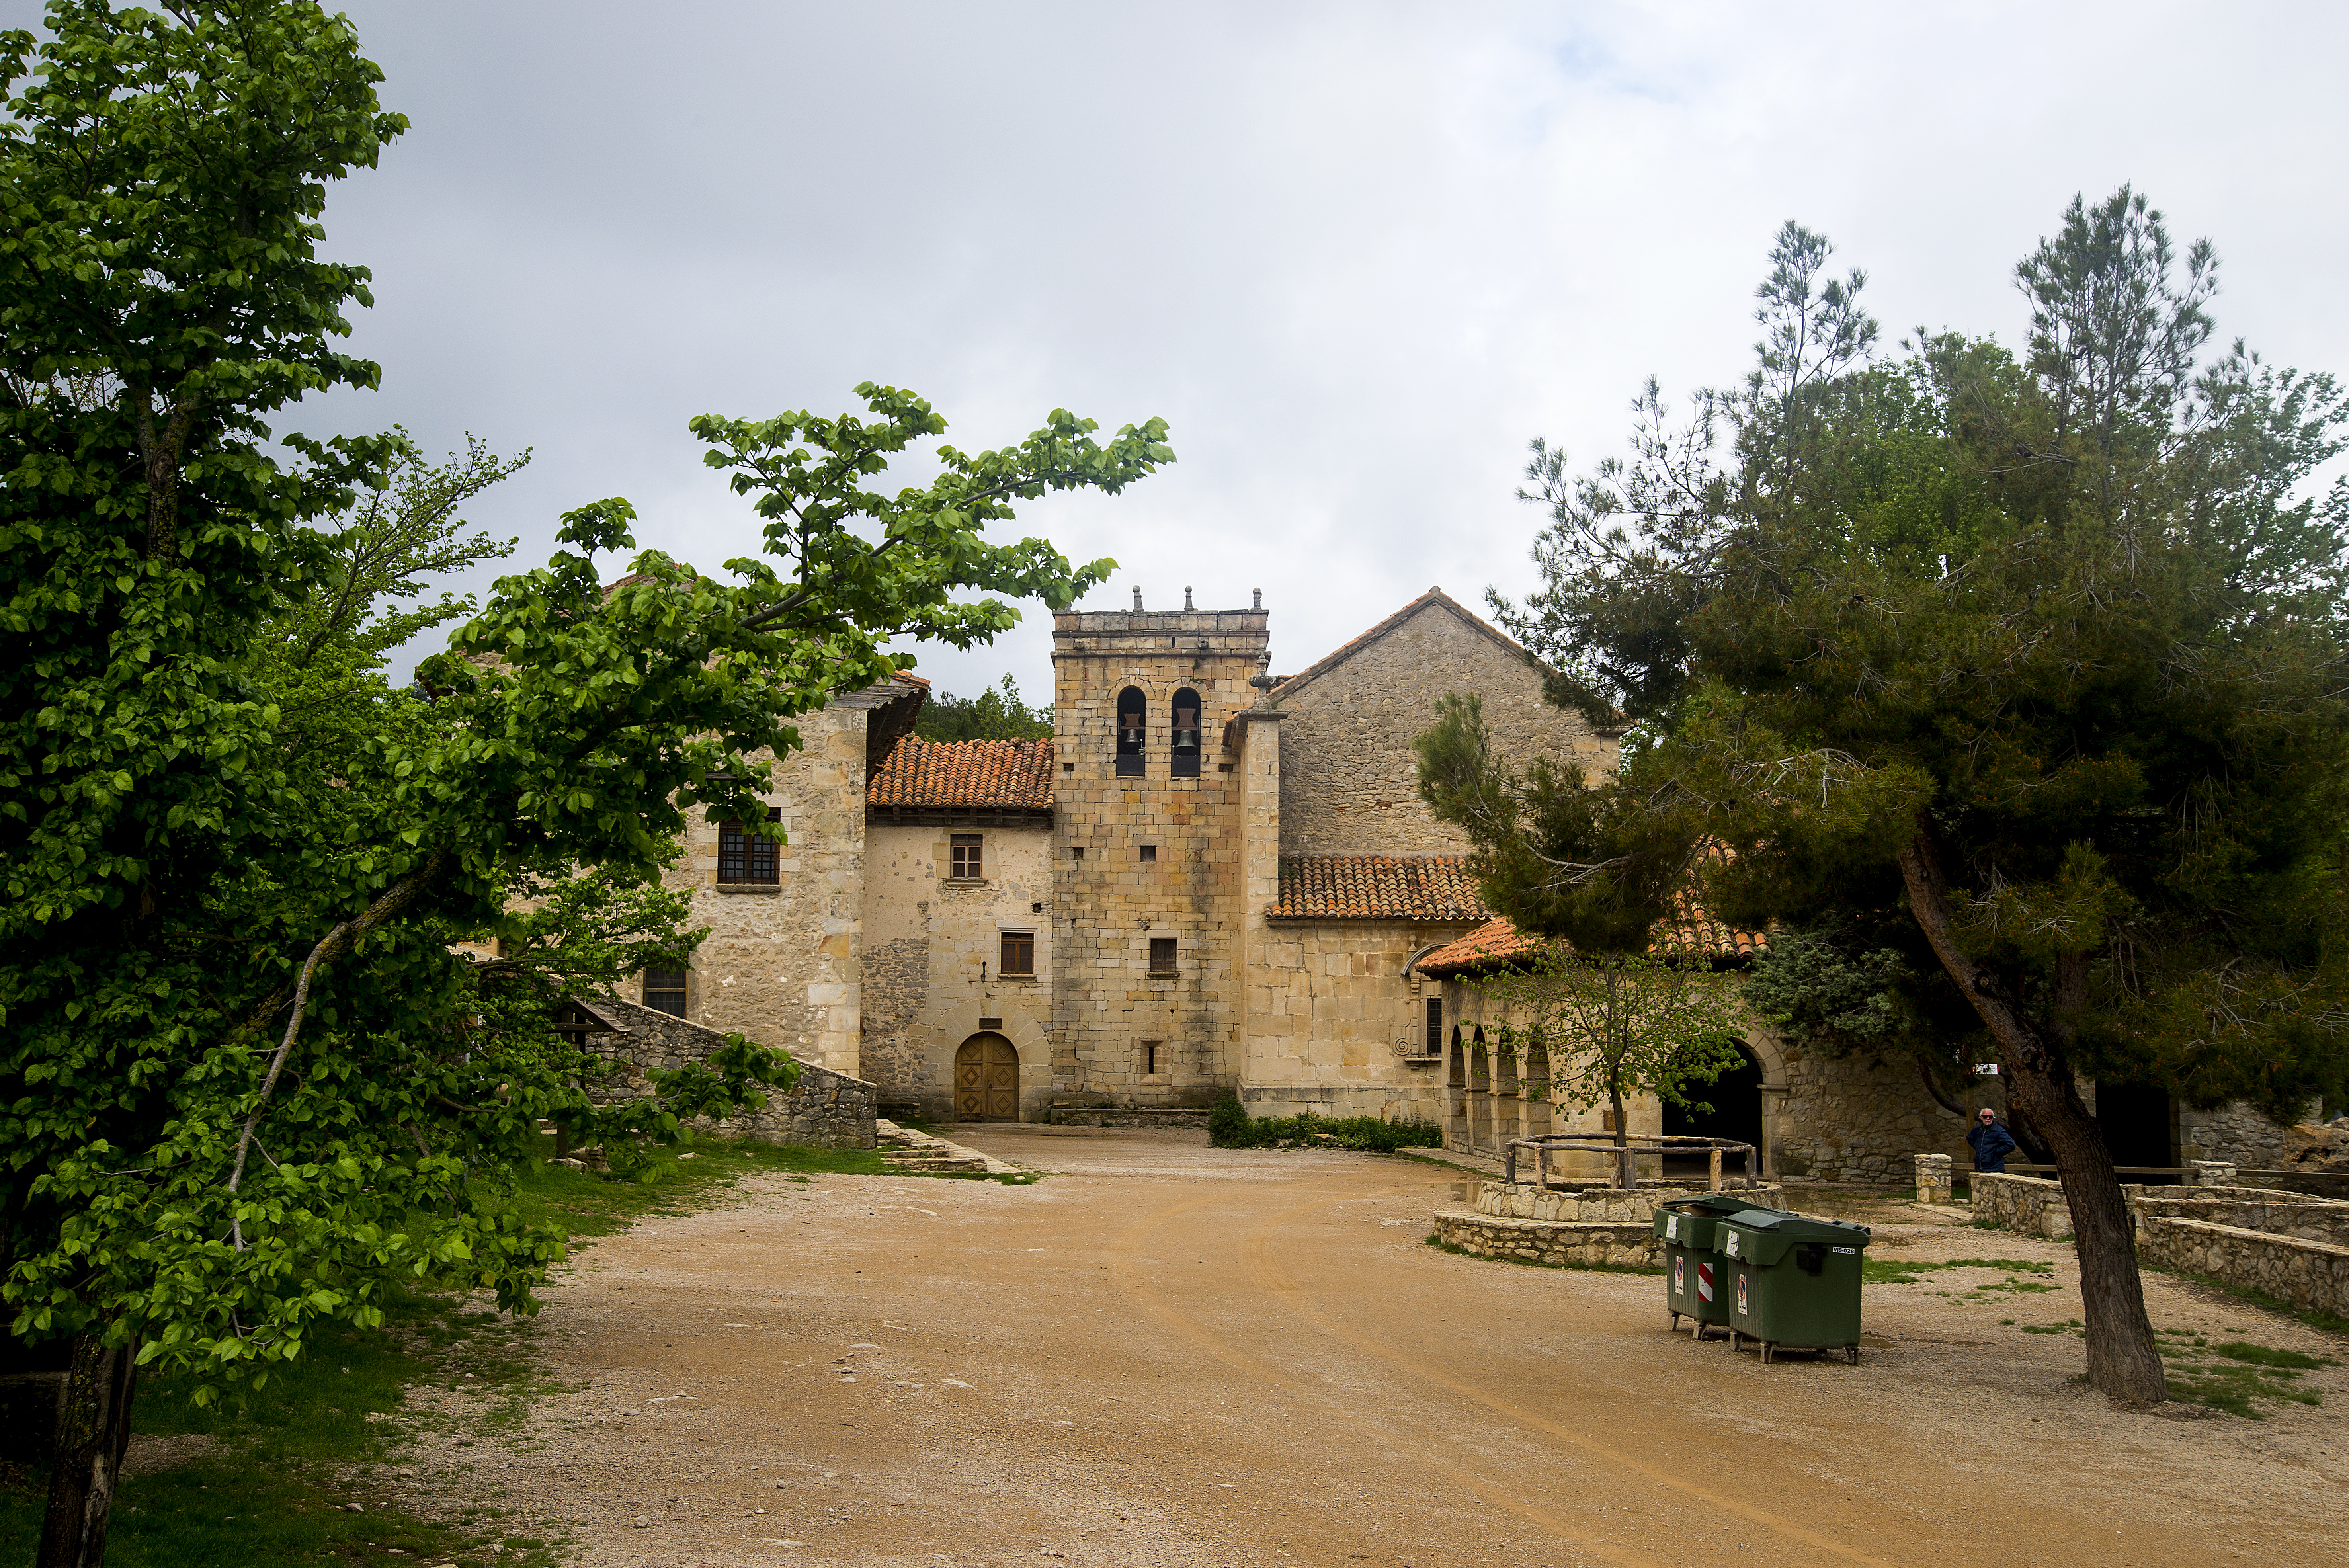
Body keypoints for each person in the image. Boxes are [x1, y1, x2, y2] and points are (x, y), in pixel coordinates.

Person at [1968, 1107, 2019, 1173]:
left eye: (1990, 1117)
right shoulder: (1977, 1130)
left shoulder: (1999, 1131)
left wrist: (1997, 1152)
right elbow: (1969, 1138)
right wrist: (1978, 1147)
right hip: (1980, 1168)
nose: (1988, 1119)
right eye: (1986, 1117)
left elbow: (2011, 1145)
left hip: (1995, 1169)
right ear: (1981, 1118)